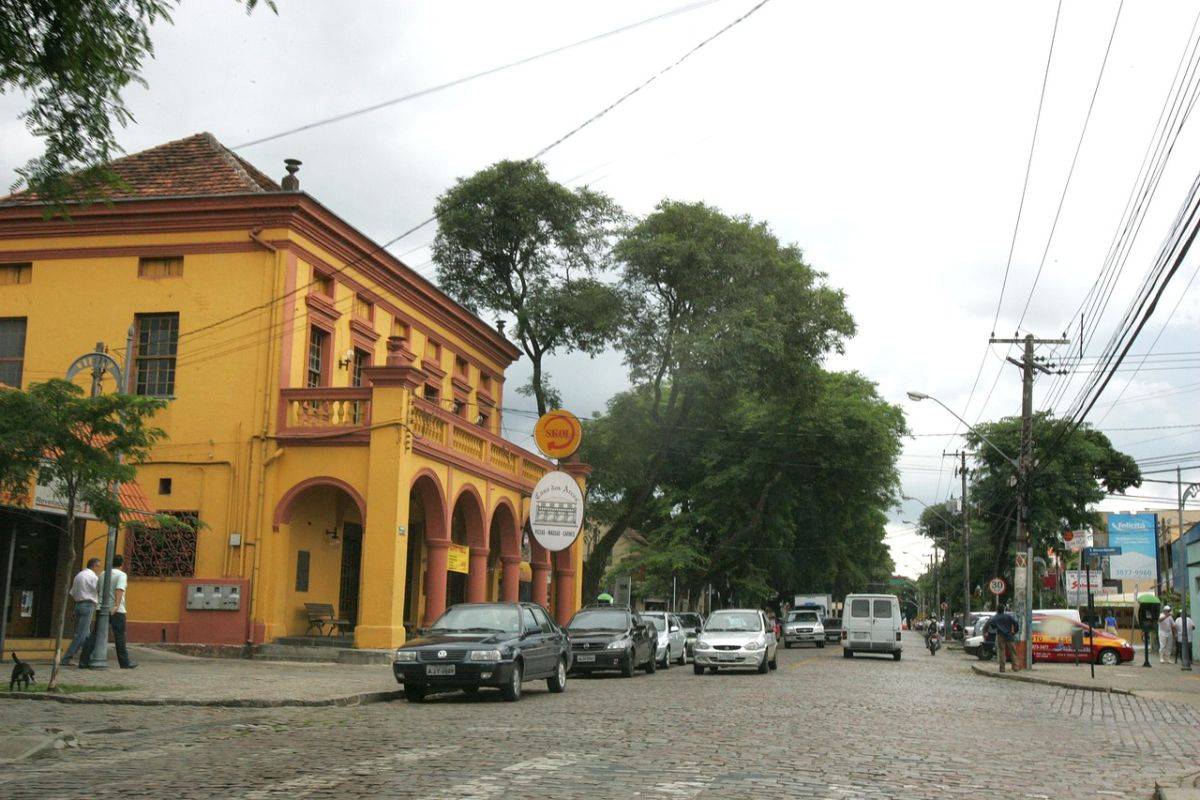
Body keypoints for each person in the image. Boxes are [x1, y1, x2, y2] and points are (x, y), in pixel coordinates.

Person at [61, 558, 101, 667]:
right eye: (98, 566)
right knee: (81, 635)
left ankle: (88, 656)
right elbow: (99, 589)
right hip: (88, 605)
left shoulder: (78, 576)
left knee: (85, 634)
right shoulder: (92, 577)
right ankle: (66, 658)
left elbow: (72, 592)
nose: (99, 569)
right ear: (94, 566)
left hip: (78, 604)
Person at [990, 606, 1020, 673]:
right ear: (1003, 610)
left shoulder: (995, 617)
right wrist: (1015, 631)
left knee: (1001, 651)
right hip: (1009, 635)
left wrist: (997, 626)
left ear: (997, 610)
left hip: (1000, 635)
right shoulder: (1008, 616)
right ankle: (1015, 667)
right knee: (1013, 651)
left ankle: (1002, 668)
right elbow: (1015, 623)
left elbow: (992, 626)